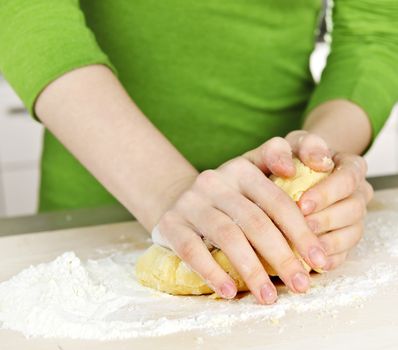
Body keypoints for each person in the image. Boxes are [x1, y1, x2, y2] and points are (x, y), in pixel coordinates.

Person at [0, 1, 397, 305]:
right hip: (93, 210)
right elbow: (26, 10)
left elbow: (374, 35)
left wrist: (315, 163)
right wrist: (167, 188)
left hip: (281, 222)